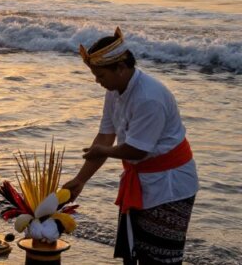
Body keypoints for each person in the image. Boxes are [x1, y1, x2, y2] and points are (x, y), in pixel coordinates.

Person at [63, 28, 198, 265]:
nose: (97, 81)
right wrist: (80, 180)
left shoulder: (148, 97)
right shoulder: (114, 90)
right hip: (140, 179)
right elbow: (105, 136)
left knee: (160, 258)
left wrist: (104, 152)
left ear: (121, 68)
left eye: (101, 75)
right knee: (132, 251)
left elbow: (137, 150)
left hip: (169, 185)